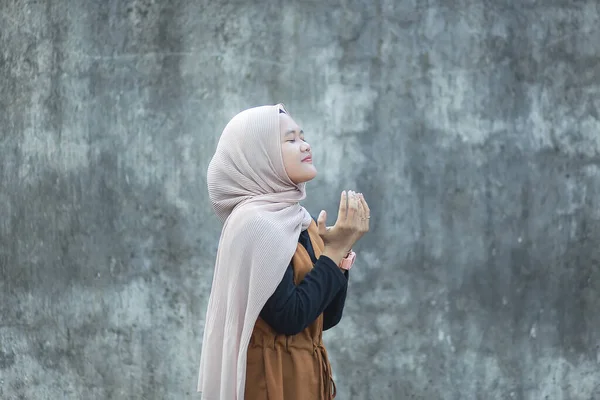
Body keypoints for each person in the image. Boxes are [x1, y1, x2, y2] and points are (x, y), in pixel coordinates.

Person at [197, 104, 370, 399]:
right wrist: (333, 252)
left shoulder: (298, 221)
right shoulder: (255, 224)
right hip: (272, 381)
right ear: (259, 156)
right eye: (290, 140)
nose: (305, 145)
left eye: (302, 136)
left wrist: (339, 254)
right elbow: (289, 317)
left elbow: (325, 318)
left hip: (304, 376)